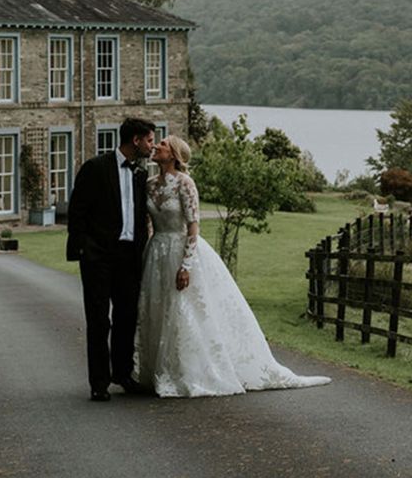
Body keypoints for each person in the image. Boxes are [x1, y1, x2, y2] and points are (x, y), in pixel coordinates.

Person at [137, 134, 331, 397]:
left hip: (180, 249)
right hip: (156, 253)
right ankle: (159, 370)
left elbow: (193, 226)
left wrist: (186, 265)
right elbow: (149, 223)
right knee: (158, 309)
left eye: (162, 144)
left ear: (173, 154)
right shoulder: (149, 185)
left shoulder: (185, 184)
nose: (156, 146)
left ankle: (190, 372)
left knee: (184, 309)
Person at [67, 117, 156, 401]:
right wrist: (84, 249)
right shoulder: (95, 168)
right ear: (136, 140)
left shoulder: (141, 175)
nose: (152, 146)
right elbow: (77, 211)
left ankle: (122, 373)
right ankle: (99, 383)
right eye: (150, 140)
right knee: (98, 319)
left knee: (127, 317)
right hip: (98, 257)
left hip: (129, 257)